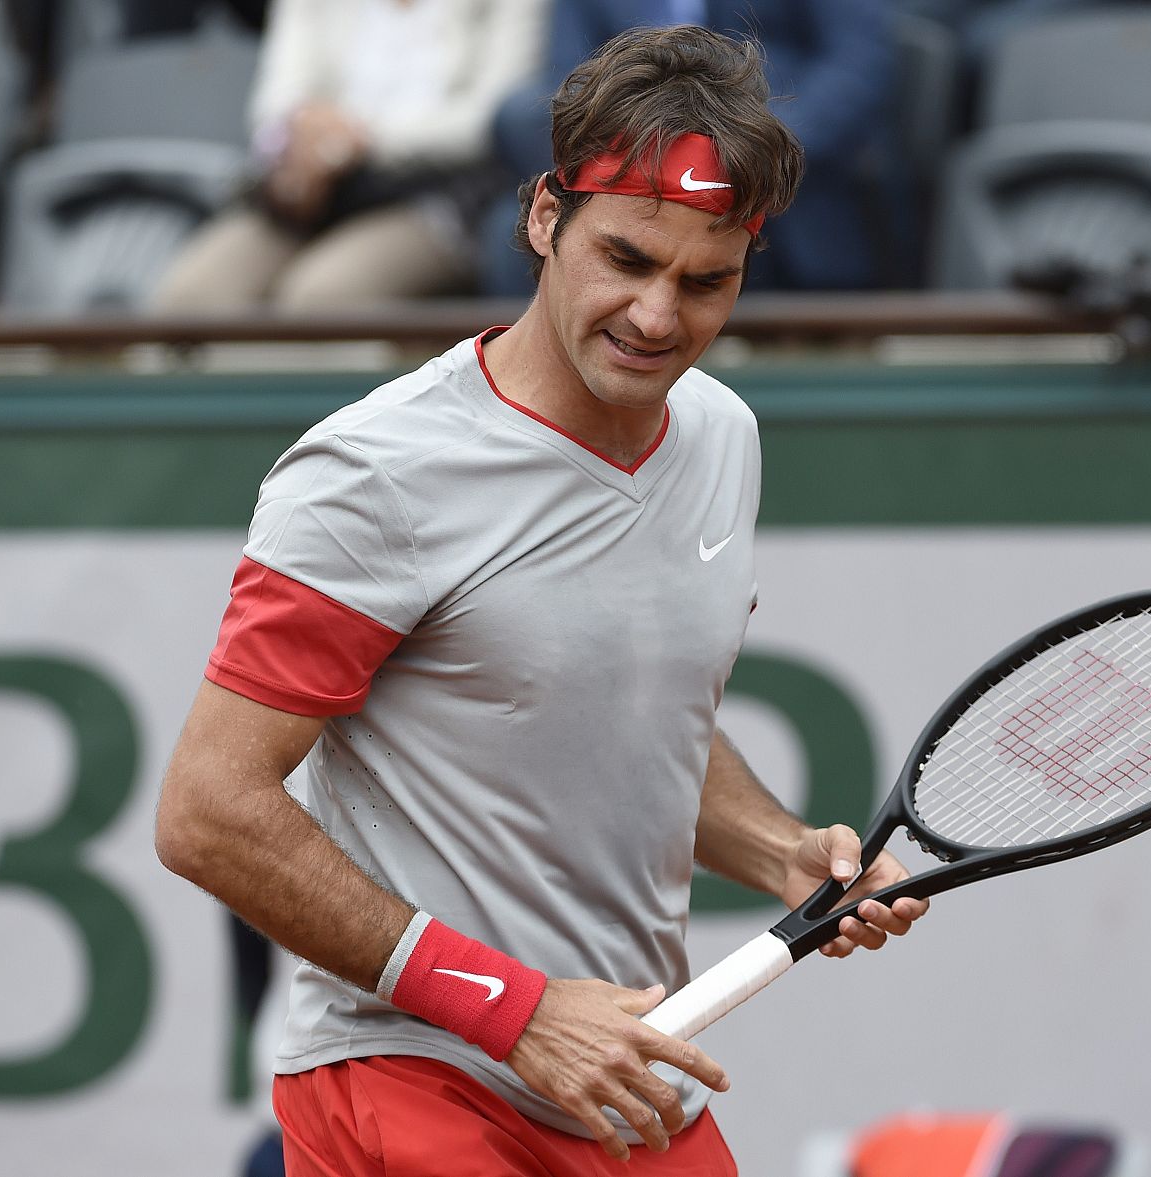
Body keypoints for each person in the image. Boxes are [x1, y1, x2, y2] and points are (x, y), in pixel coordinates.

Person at [155, 25, 927, 1176]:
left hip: (623, 1075)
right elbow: (208, 811)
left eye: (703, 280)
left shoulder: (722, 434)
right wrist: (511, 1007)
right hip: (410, 1078)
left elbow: (626, 709)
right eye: (625, 258)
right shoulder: (374, 471)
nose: (659, 317)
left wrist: (781, 853)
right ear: (542, 219)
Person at [149, 0, 547, 313]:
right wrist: (299, 136)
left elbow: (495, 115)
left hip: (443, 197)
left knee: (323, 300)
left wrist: (353, 142)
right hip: (314, 186)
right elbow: (276, 104)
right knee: (192, 297)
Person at [478, 0, 900, 295]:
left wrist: (747, 154)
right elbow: (572, 79)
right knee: (511, 202)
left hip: (780, 163)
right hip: (635, 153)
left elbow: (862, 62)